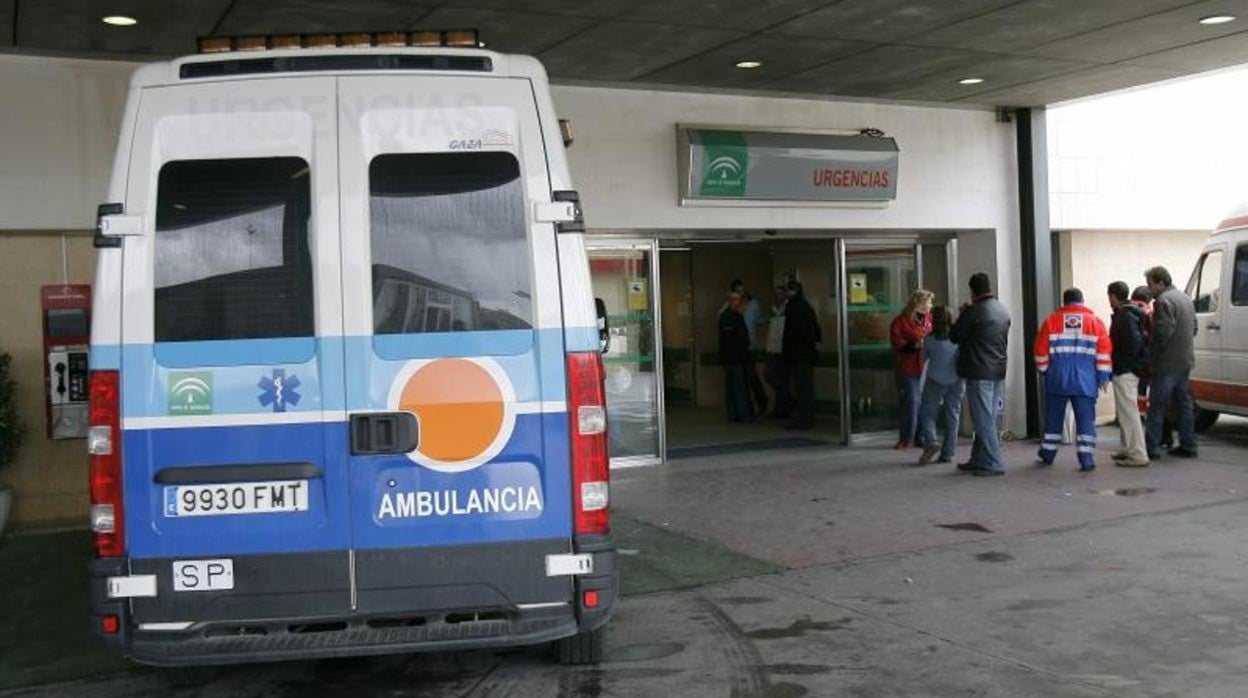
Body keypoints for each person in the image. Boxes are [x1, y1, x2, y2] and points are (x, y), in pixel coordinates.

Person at [1034, 288, 1112, 471]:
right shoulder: (1095, 323)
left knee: (1053, 418)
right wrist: (1102, 378)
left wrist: (1046, 371)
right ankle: (1086, 459)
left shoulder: (1051, 321)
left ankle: (1047, 453)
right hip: (1085, 380)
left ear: (1064, 302)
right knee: (1085, 420)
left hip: (1057, 378)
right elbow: (1103, 353)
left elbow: (1039, 352)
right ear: (1082, 301)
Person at [949, 272, 1011, 476]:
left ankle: (993, 462)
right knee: (988, 417)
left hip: (978, 370)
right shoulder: (1001, 309)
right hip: (998, 370)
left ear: (972, 290)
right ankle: (979, 459)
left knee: (982, 419)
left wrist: (962, 314)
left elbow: (955, 336)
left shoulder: (974, 311)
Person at [1143, 266, 1198, 459]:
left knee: (1157, 405)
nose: (1149, 289)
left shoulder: (1163, 301)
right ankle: (1188, 445)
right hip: (1185, 360)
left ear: (1160, 283)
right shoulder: (1185, 298)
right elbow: (1195, 328)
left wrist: (1152, 358)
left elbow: (1162, 333)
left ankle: (1152, 448)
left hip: (1167, 363)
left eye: (1150, 285)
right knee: (1184, 404)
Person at [1108, 282, 1150, 467]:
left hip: (1125, 371)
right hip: (1128, 369)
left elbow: (1132, 344)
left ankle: (1138, 454)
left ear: (1113, 296)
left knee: (1130, 413)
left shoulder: (1125, 316)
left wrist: (1124, 367)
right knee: (1125, 412)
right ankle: (1127, 449)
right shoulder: (1130, 314)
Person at [917, 306, 964, 465]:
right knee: (953, 415)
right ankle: (948, 454)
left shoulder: (929, 340)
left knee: (927, 413)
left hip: (935, 380)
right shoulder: (958, 337)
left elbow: (922, 360)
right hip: (957, 380)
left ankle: (931, 441)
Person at [890, 289, 934, 449]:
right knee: (912, 402)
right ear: (919, 304)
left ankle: (920, 436)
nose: (930, 306)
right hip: (908, 367)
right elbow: (897, 344)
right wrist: (914, 345)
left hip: (925, 366)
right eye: (928, 302)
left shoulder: (929, 319)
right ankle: (905, 438)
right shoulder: (900, 322)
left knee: (924, 403)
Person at [782, 280, 821, 430]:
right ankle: (806, 417)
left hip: (799, 354)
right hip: (805, 354)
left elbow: (795, 333)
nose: (786, 294)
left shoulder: (794, 308)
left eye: (787, 291)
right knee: (805, 387)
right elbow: (814, 331)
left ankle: (804, 418)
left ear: (793, 291)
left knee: (803, 387)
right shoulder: (805, 307)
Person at [730, 279, 769, 416]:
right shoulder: (730, 307)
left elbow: (759, 320)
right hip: (737, 348)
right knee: (744, 378)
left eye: (742, 290)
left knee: (751, 376)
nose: (741, 293)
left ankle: (761, 402)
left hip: (749, 345)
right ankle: (748, 406)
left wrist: (770, 318)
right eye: (738, 290)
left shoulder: (752, 304)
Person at [718, 292, 753, 423]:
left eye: (739, 299)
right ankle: (742, 414)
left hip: (733, 357)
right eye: (735, 299)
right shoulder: (729, 317)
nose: (738, 302)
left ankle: (735, 414)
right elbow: (733, 339)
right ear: (730, 300)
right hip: (734, 357)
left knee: (733, 386)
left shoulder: (733, 316)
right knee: (737, 386)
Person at [762, 281, 793, 419]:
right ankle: (783, 402)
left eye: (781, 292)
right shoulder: (776, 308)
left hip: (782, 348)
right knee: (770, 374)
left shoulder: (787, 308)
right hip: (773, 347)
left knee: (780, 378)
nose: (778, 295)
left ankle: (784, 405)